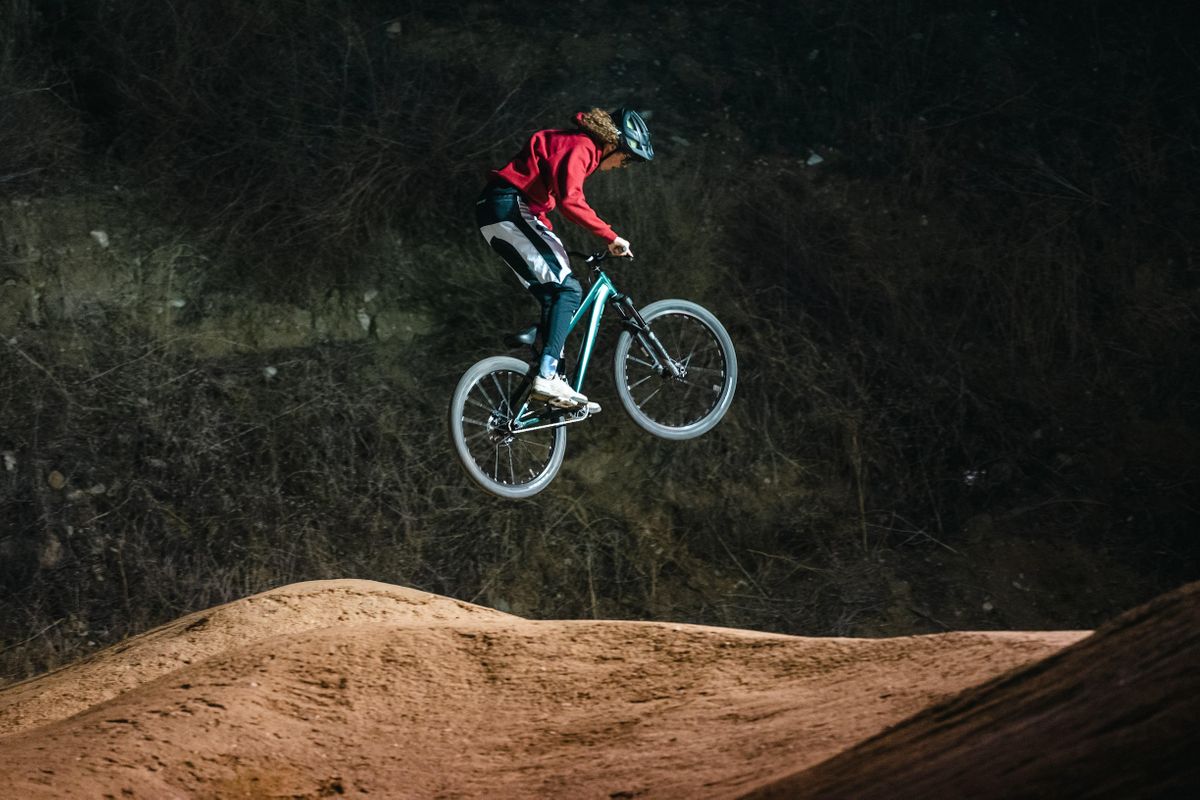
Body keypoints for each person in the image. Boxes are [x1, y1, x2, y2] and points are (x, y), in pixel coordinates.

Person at [475, 106, 654, 409]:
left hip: (497, 213)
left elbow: (545, 197)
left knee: (554, 295)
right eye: (626, 158)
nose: (622, 166)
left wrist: (551, 237)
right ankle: (547, 375)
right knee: (569, 290)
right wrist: (611, 236)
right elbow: (571, 200)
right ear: (612, 144)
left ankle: (552, 378)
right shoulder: (583, 146)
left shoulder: (570, 144)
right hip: (509, 208)